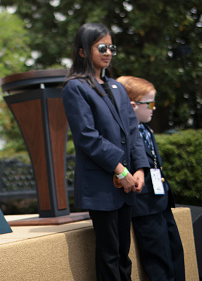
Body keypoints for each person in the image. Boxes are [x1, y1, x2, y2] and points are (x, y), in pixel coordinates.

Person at [62, 22, 149, 280]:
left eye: (111, 47)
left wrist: (141, 169)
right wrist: (122, 171)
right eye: (102, 47)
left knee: (124, 251)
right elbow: (88, 137)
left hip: (127, 181)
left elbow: (132, 131)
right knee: (109, 252)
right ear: (82, 52)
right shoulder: (75, 87)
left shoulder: (117, 87)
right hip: (102, 183)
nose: (108, 52)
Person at [116, 76, 185, 281]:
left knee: (175, 252)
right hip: (144, 206)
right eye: (150, 103)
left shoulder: (146, 129)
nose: (153, 108)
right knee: (158, 260)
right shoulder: (124, 135)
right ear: (132, 105)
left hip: (161, 201)